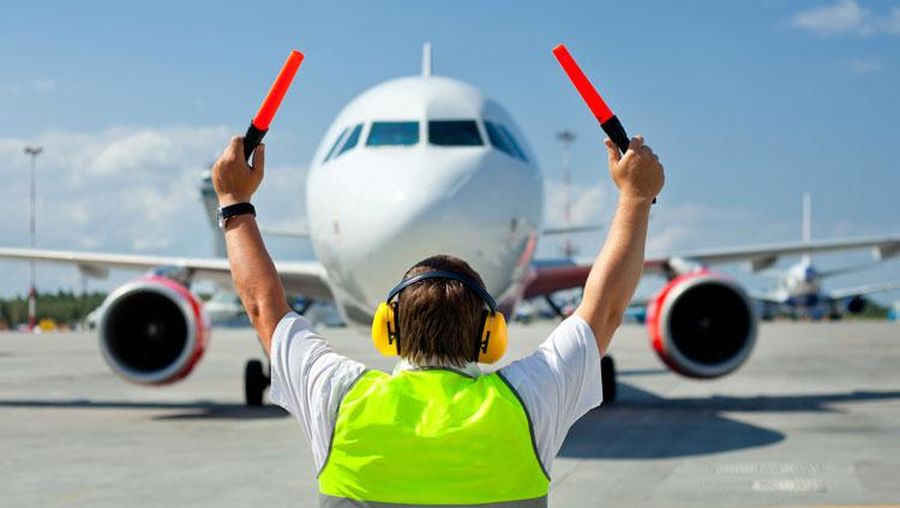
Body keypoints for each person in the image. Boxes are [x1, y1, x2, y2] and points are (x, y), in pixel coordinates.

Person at [212, 133, 664, 507]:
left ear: (388, 329)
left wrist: (234, 202)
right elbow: (604, 309)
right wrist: (636, 197)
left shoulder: (340, 398)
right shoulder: (527, 403)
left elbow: (262, 305)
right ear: (490, 335)